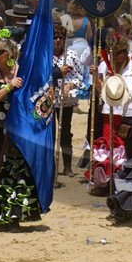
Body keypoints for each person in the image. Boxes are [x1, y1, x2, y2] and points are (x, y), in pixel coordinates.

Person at [0, 37, 42, 226]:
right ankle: (2, 215)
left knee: (22, 170)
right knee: (2, 169)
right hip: (0, 131)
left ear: (10, 53)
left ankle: (17, 214)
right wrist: (8, 87)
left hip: (22, 131)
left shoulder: (24, 74)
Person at [52, 30, 91, 178]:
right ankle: (51, 166)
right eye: (54, 37)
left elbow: (79, 77)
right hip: (48, 101)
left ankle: (67, 166)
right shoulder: (44, 55)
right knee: (50, 133)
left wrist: (69, 86)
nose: (57, 40)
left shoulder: (71, 55)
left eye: (60, 38)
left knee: (65, 133)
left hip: (65, 101)